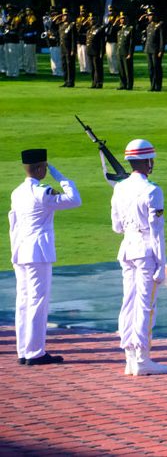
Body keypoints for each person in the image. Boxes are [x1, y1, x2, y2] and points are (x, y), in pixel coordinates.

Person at [9, 148, 81, 365]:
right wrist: (60, 177)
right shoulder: (42, 192)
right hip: (38, 253)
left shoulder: (17, 192)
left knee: (23, 301)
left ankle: (24, 350)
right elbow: (74, 199)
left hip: (20, 251)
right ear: (41, 168)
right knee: (37, 302)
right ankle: (35, 352)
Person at [110, 139, 167, 375]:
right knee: (146, 305)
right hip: (145, 251)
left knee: (129, 302)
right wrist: (162, 264)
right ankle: (142, 359)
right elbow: (157, 230)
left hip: (126, 247)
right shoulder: (153, 190)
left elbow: (116, 226)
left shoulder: (119, 187)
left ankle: (130, 358)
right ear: (147, 162)